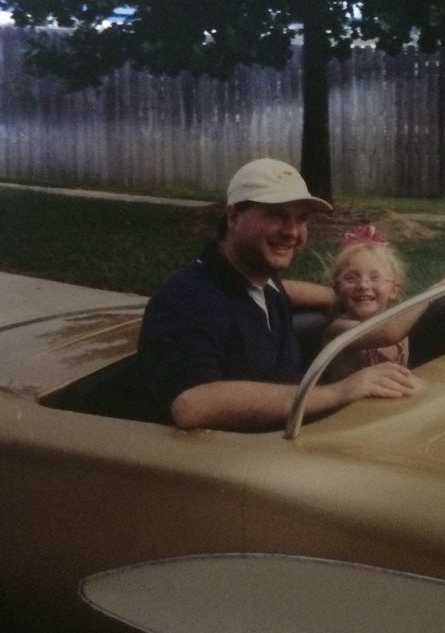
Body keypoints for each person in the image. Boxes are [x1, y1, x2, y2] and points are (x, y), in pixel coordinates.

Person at [136, 158, 419, 431]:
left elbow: (287, 290)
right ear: (233, 217)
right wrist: (339, 391)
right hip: (235, 458)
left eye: (301, 219)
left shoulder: (266, 286)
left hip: (285, 444)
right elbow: (191, 404)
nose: (292, 232)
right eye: (276, 215)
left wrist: (338, 299)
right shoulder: (187, 297)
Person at [322, 224, 445, 381]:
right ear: (337, 290)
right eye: (351, 278)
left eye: (374, 277)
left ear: (393, 290)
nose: (363, 285)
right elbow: (387, 334)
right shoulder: (338, 329)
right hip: (352, 398)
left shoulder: (400, 324)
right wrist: (437, 291)